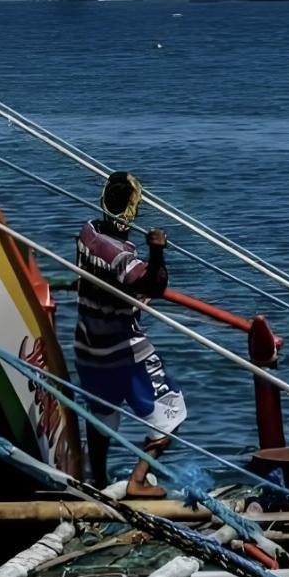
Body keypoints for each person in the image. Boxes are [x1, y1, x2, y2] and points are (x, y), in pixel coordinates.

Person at [74, 170, 186, 496]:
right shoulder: (123, 256)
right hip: (122, 350)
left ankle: (96, 480)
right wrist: (157, 251)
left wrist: (133, 293)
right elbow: (155, 283)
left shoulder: (88, 231)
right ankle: (138, 479)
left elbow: (111, 278)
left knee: (101, 416)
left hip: (88, 344)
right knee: (172, 414)